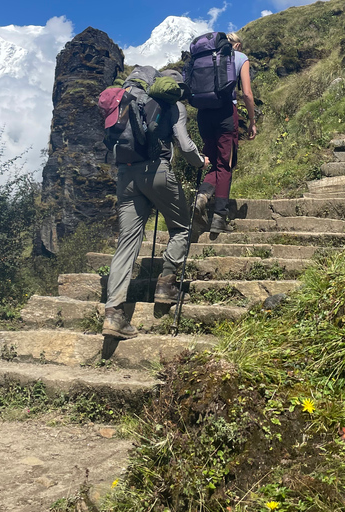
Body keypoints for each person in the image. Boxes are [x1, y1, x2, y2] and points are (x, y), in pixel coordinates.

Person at [99, 68, 209, 339]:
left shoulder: (124, 100)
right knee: (181, 227)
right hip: (157, 172)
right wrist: (200, 162)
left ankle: (114, 313)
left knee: (127, 242)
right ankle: (166, 283)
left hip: (125, 175)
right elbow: (183, 144)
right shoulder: (170, 104)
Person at [194, 31, 257, 235]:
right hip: (225, 113)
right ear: (237, 45)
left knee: (212, 159)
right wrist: (252, 121)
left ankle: (201, 198)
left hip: (203, 113)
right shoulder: (239, 57)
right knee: (225, 164)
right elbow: (246, 93)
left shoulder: (205, 57)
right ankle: (219, 218)